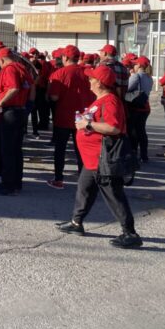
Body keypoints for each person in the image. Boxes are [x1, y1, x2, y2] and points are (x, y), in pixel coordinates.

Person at [57, 65, 143, 249]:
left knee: (114, 195)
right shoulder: (101, 100)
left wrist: (87, 125)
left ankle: (130, 233)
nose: (89, 81)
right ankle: (76, 222)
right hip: (92, 160)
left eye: (92, 78)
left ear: (100, 83)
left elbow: (114, 128)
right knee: (84, 189)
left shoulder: (110, 101)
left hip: (103, 159)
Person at [46, 45, 90, 190]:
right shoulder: (87, 72)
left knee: (60, 149)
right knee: (81, 150)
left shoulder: (59, 73)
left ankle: (59, 179)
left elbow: (54, 97)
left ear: (65, 57)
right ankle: (84, 181)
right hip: (83, 118)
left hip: (63, 116)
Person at [0, 47, 29, 196]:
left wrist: (1, 102)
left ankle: (8, 185)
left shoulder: (9, 69)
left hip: (10, 112)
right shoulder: (21, 68)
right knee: (16, 150)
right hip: (20, 111)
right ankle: (16, 183)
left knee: (8, 151)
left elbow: (14, 88)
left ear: (1, 60)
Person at [125, 56, 152, 162]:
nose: (133, 66)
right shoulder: (149, 77)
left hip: (135, 106)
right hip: (145, 106)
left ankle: (133, 153)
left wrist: (131, 76)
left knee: (133, 131)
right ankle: (144, 154)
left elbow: (127, 88)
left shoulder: (136, 76)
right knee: (142, 131)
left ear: (139, 65)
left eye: (135, 64)